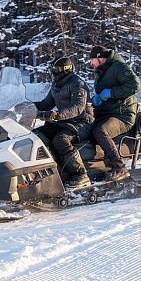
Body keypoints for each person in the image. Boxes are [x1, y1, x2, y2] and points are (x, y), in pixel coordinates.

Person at [34, 57, 94, 188]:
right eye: (53, 70)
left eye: (57, 71)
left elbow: (77, 107)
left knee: (60, 140)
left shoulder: (78, 84)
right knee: (36, 134)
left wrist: (57, 115)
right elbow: (46, 103)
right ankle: (47, 171)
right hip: (65, 121)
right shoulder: (56, 85)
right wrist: (29, 107)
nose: (54, 74)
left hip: (82, 122)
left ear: (66, 71)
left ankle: (80, 174)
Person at [89, 46, 141, 181]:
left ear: (101, 58)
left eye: (92, 60)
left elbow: (134, 85)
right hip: (108, 112)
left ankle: (120, 167)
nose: (91, 63)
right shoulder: (102, 70)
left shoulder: (118, 67)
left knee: (100, 131)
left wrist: (111, 93)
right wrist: (96, 100)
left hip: (123, 114)